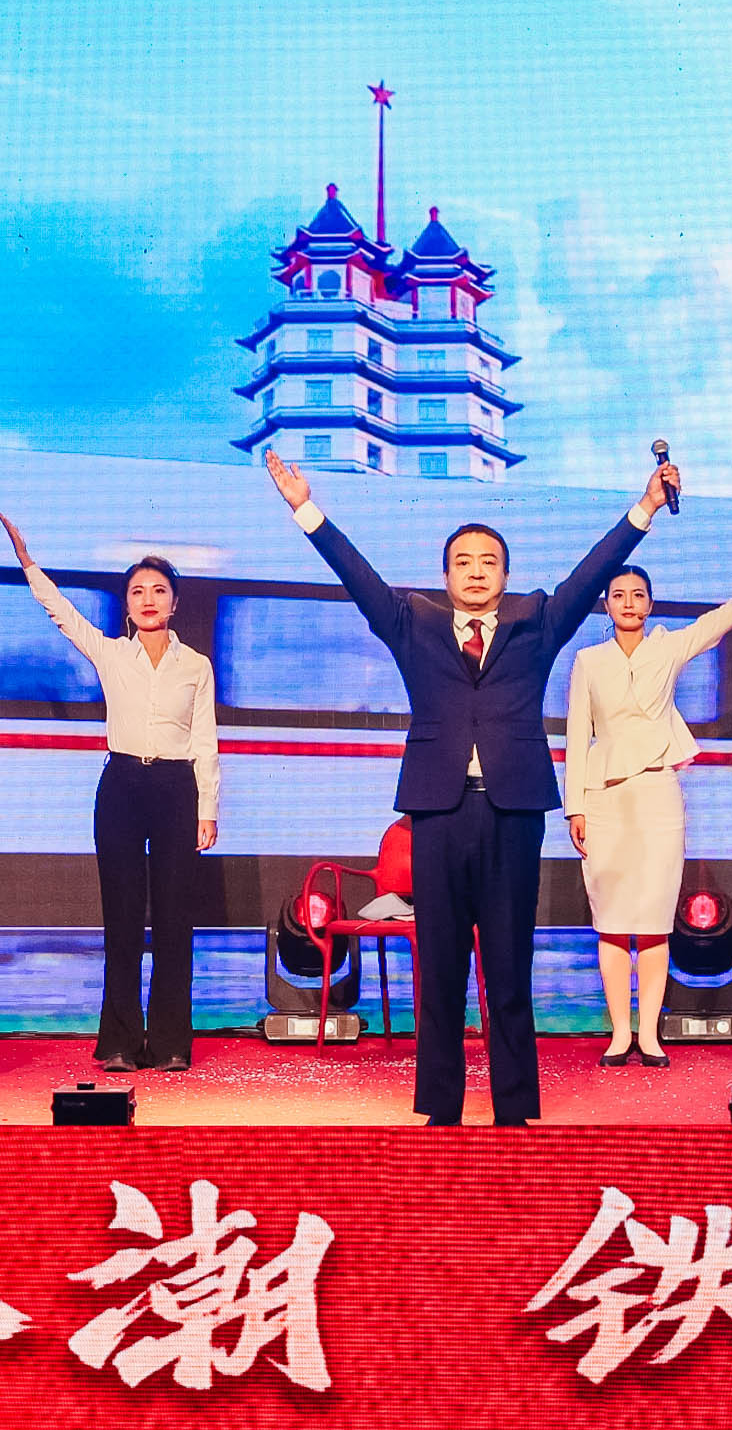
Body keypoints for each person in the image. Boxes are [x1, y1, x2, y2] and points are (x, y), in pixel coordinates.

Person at [263, 446, 673, 1126]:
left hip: (513, 813)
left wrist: (646, 509)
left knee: (509, 966)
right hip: (439, 812)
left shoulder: (537, 622)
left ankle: (514, 1108)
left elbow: (590, 573)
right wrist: (307, 509)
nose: (476, 572)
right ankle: (440, 1107)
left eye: (488, 562)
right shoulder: (412, 623)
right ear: (445, 576)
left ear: (506, 575)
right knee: (442, 968)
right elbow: (358, 577)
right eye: (463, 562)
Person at [569, 530, 732, 1066]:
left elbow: (724, 617)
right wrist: (576, 807)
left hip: (659, 794)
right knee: (611, 919)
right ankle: (619, 1034)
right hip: (604, 797)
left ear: (650, 603)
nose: (628, 603)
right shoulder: (589, 661)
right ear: (606, 604)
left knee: (654, 919)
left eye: (638, 595)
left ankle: (649, 1035)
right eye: (618, 595)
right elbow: (576, 736)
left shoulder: (669, 647)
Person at [0, 512, 222, 1073]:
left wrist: (208, 810)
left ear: (175, 603)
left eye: (159, 591)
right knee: (121, 919)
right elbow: (62, 614)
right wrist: (29, 563)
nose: (148, 600)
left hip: (176, 789)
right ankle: (120, 1042)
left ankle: (170, 1042)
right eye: (138, 591)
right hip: (121, 785)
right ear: (127, 604)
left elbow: (205, 741)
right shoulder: (110, 653)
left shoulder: (196, 666)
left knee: (173, 920)